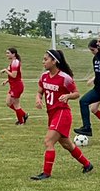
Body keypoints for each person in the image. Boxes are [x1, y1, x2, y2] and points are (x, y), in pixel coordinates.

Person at [31, 49, 94, 180]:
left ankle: (46, 173)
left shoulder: (65, 78)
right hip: (52, 114)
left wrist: (68, 96)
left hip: (62, 113)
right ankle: (87, 164)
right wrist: (38, 99)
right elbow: (39, 92)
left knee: (48, 141)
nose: (43, 62)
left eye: (46, 59)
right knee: (67, 144)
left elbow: (76, 93)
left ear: (54, 61)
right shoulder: (44, 76)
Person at [0, 47, 29, 125]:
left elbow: (14, 75)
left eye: (8, 53)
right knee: (8, 103)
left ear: (13, 54)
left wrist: (5, 70)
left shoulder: (15, 62)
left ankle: (21, 121)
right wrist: (6, 81)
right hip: (14, 86)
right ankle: (23, 115)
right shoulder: (13, 62)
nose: (7, 55)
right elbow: (14, 76)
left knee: (16, 104)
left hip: (17, 86)